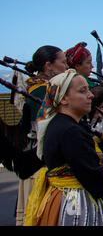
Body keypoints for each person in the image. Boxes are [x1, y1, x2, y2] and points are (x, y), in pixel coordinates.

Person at [24, 69, 103, 226]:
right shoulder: (70, 131)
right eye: (82, 91)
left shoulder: (68, 124)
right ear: (64, 99)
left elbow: (91, 151)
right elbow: (94, 180)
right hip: (76, 205)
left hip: (68, 197)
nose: (91, 95)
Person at [15, 46, 68, 226]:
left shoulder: (43, 87)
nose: (66, 66)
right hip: (42, 161)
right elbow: (45, 130)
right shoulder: (42, 91)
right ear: (48, 66)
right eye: (63, 62)